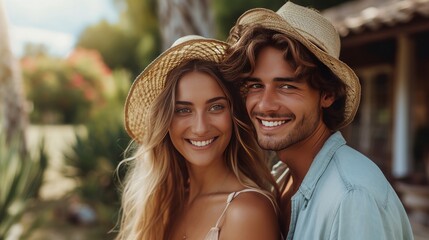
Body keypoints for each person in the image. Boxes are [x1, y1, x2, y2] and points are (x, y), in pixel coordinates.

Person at [222, 1, 414, 239]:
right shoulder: (282, 178)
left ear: (327, 94)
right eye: (255, 85)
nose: (264, 104)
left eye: (286, 86)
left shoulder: (352, 197)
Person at [116, 35, 281, 240]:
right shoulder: (165, 205)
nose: (201, 128)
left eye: (216, 107)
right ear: (165, 121)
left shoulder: (246, 211)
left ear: (233, 114)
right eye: (183, 110)